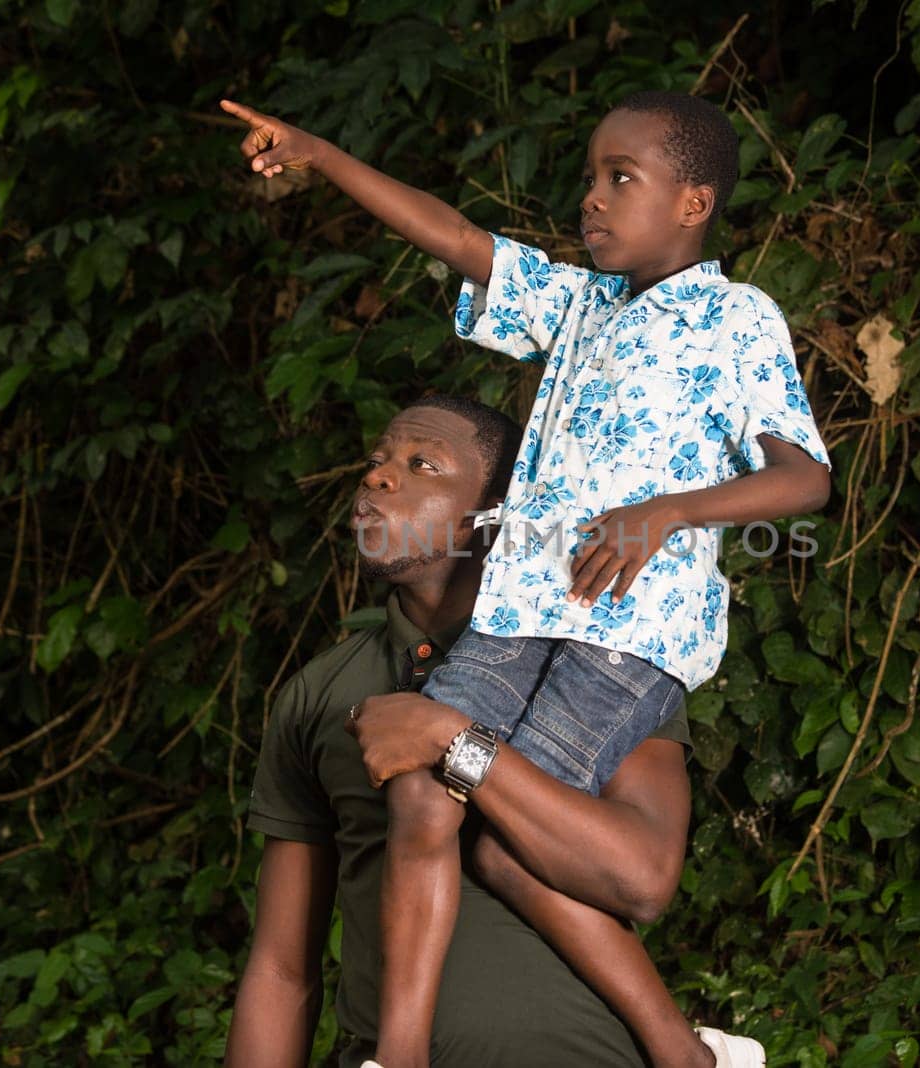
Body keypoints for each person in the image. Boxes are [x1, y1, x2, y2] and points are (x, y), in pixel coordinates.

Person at [222, 90, 831, 1068]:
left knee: (509, 848)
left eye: (618, 179)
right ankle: (401, 1056)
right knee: (422, 798)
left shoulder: (734, 319)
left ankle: (685, 1056)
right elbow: (459, 237)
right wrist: (322, 152)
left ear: (693, 203)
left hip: (626, 629)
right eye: (589, 176)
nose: (590, 198)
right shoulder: (580, 307)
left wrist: (667, 511)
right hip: (520, 608)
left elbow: (802, 478)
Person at [226, 395, 697, 1067]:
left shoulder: (599, 669)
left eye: (423, 464)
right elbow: (280, 970)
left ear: (498, 518)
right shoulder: (319, 695)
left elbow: (642, 879)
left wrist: (452, 739)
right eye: (376, 460)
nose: (378, 477)